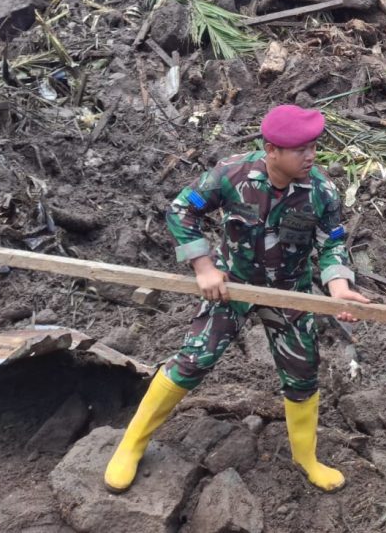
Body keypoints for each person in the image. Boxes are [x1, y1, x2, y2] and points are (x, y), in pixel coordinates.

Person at [104, 104, 371, 493]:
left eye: (314, 147)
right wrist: (204, 267)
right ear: (272, 150)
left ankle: (306, 458)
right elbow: (182, 210)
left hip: (289, 293)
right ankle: (131, 444)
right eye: (301, 149)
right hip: (232, 287)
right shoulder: (231, 175)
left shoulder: (321, 192)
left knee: (302, 373)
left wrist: (337, 286)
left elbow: (332, 243)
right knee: (195, 360)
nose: (311, 156)